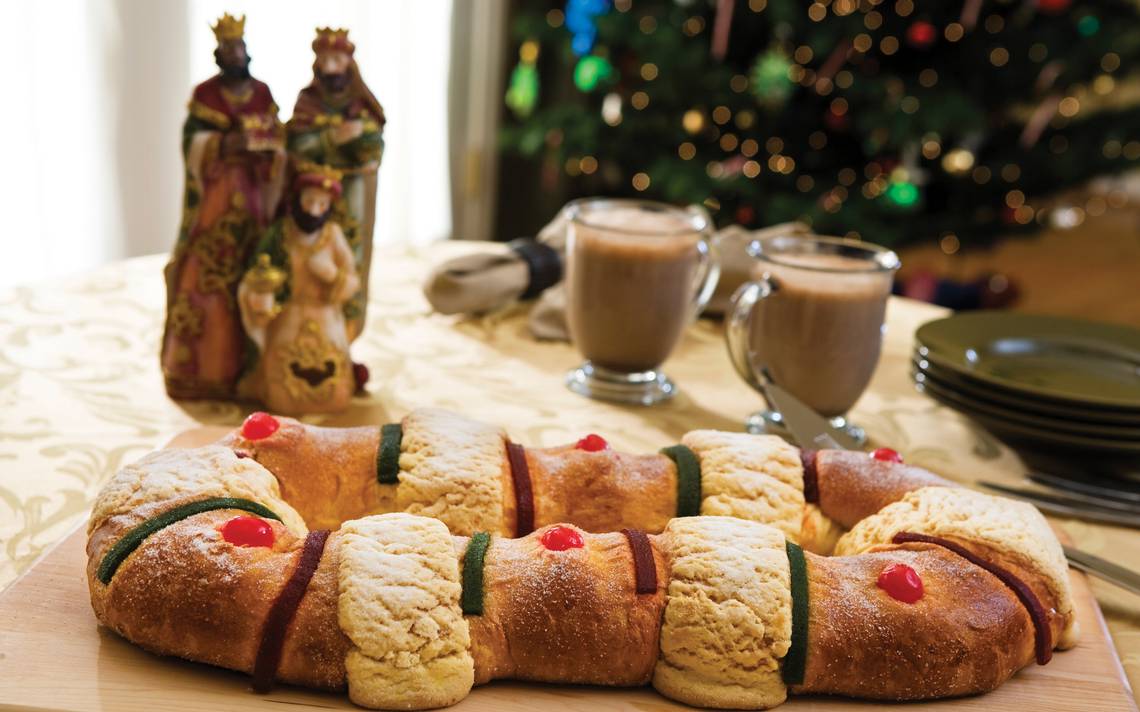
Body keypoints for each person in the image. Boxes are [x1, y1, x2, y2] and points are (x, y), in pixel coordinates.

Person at [161, 13, 286, 399]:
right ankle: (200, 371)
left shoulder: (262, 93)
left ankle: (252, 370)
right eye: (229, 48)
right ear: (219, 54)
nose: (236, 54)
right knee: (204, 280)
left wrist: (268, 149)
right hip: (216, 199)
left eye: (240, 47)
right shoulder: (205, 96)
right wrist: (224, 145)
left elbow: (277, 140)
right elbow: (192, 144)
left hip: (252, 198)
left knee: (253, 274)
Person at [287, 27, 385, 341]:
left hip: (351, 191)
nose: (330, 67)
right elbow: (297, 144)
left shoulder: (363, 104)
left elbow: (372, 145)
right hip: (312, 192)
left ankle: (346, 324)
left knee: (347, 252)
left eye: (336, 59)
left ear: (348, 63)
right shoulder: (308, 102)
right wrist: (333, 138)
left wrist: (360, 141)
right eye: (325, 60)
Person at [238, 163, 359, 414]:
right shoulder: (280, 235)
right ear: (297, 199)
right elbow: (256, 274)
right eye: (310, 201)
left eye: (322, 204)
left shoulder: (333, 235)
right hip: (289, 316)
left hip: (325, 315)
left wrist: (332, 275)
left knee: (333, 383)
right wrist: (260, 295)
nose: (314, 210)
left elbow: (352, 280)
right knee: (282, 385)